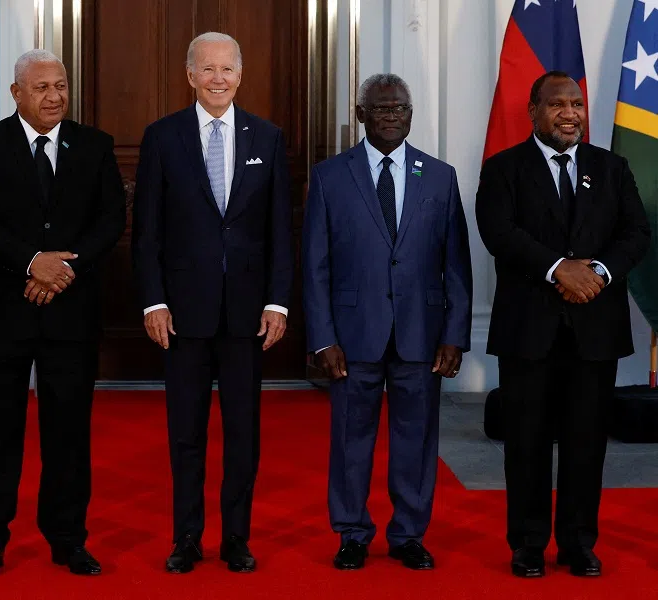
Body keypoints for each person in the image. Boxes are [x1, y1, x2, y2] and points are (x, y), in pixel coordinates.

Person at [0, 49, 125, 579]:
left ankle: (68, 539)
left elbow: (111, 219)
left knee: (69, 435)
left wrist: (61, 272)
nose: (55, 96)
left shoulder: (94, 145)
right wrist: (33, 262)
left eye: (61, 85)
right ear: (16, 93)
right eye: (42, 87)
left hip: (69, 316)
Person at [476, 71, 650, 578]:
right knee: (526, 442)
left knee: (586, 442)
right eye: (557, 104)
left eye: (576, 104)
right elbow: (498, 232)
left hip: (594, 331)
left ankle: (578, 543)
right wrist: (559, 269)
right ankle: (528, 544)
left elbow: (636, 231)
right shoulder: (503, 168)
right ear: (533, 111)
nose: (570, 113)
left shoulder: (611, 168)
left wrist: (597, 271)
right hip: (529, 331)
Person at [132, 31, 292, 574]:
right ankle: (186, 538)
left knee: (243, 433)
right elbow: (146, 232)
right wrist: (153, 302)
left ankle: (236, 539)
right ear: (190, 75)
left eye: (227, 69)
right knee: (187, 433)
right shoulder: (162, 137)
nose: (218, 78)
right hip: (183, 313)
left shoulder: (267, 138)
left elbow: (279, 231)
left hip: (249, 315)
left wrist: (279, 302)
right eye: (208, 69)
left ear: (240, 75)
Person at [302, 73, 472, 572]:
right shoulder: (331, 176)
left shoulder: (439, 176)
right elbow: (315, 265)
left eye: (400, 108)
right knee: (351, 439)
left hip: (422, 333)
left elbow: (455, 263)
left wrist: (455, 335)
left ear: (411, 114)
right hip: (353, 335)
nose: (392, 115)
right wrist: (323, 336)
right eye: (381, 108)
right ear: (361, 115)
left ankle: (408, 534)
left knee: (416, 440)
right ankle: (352, 532)